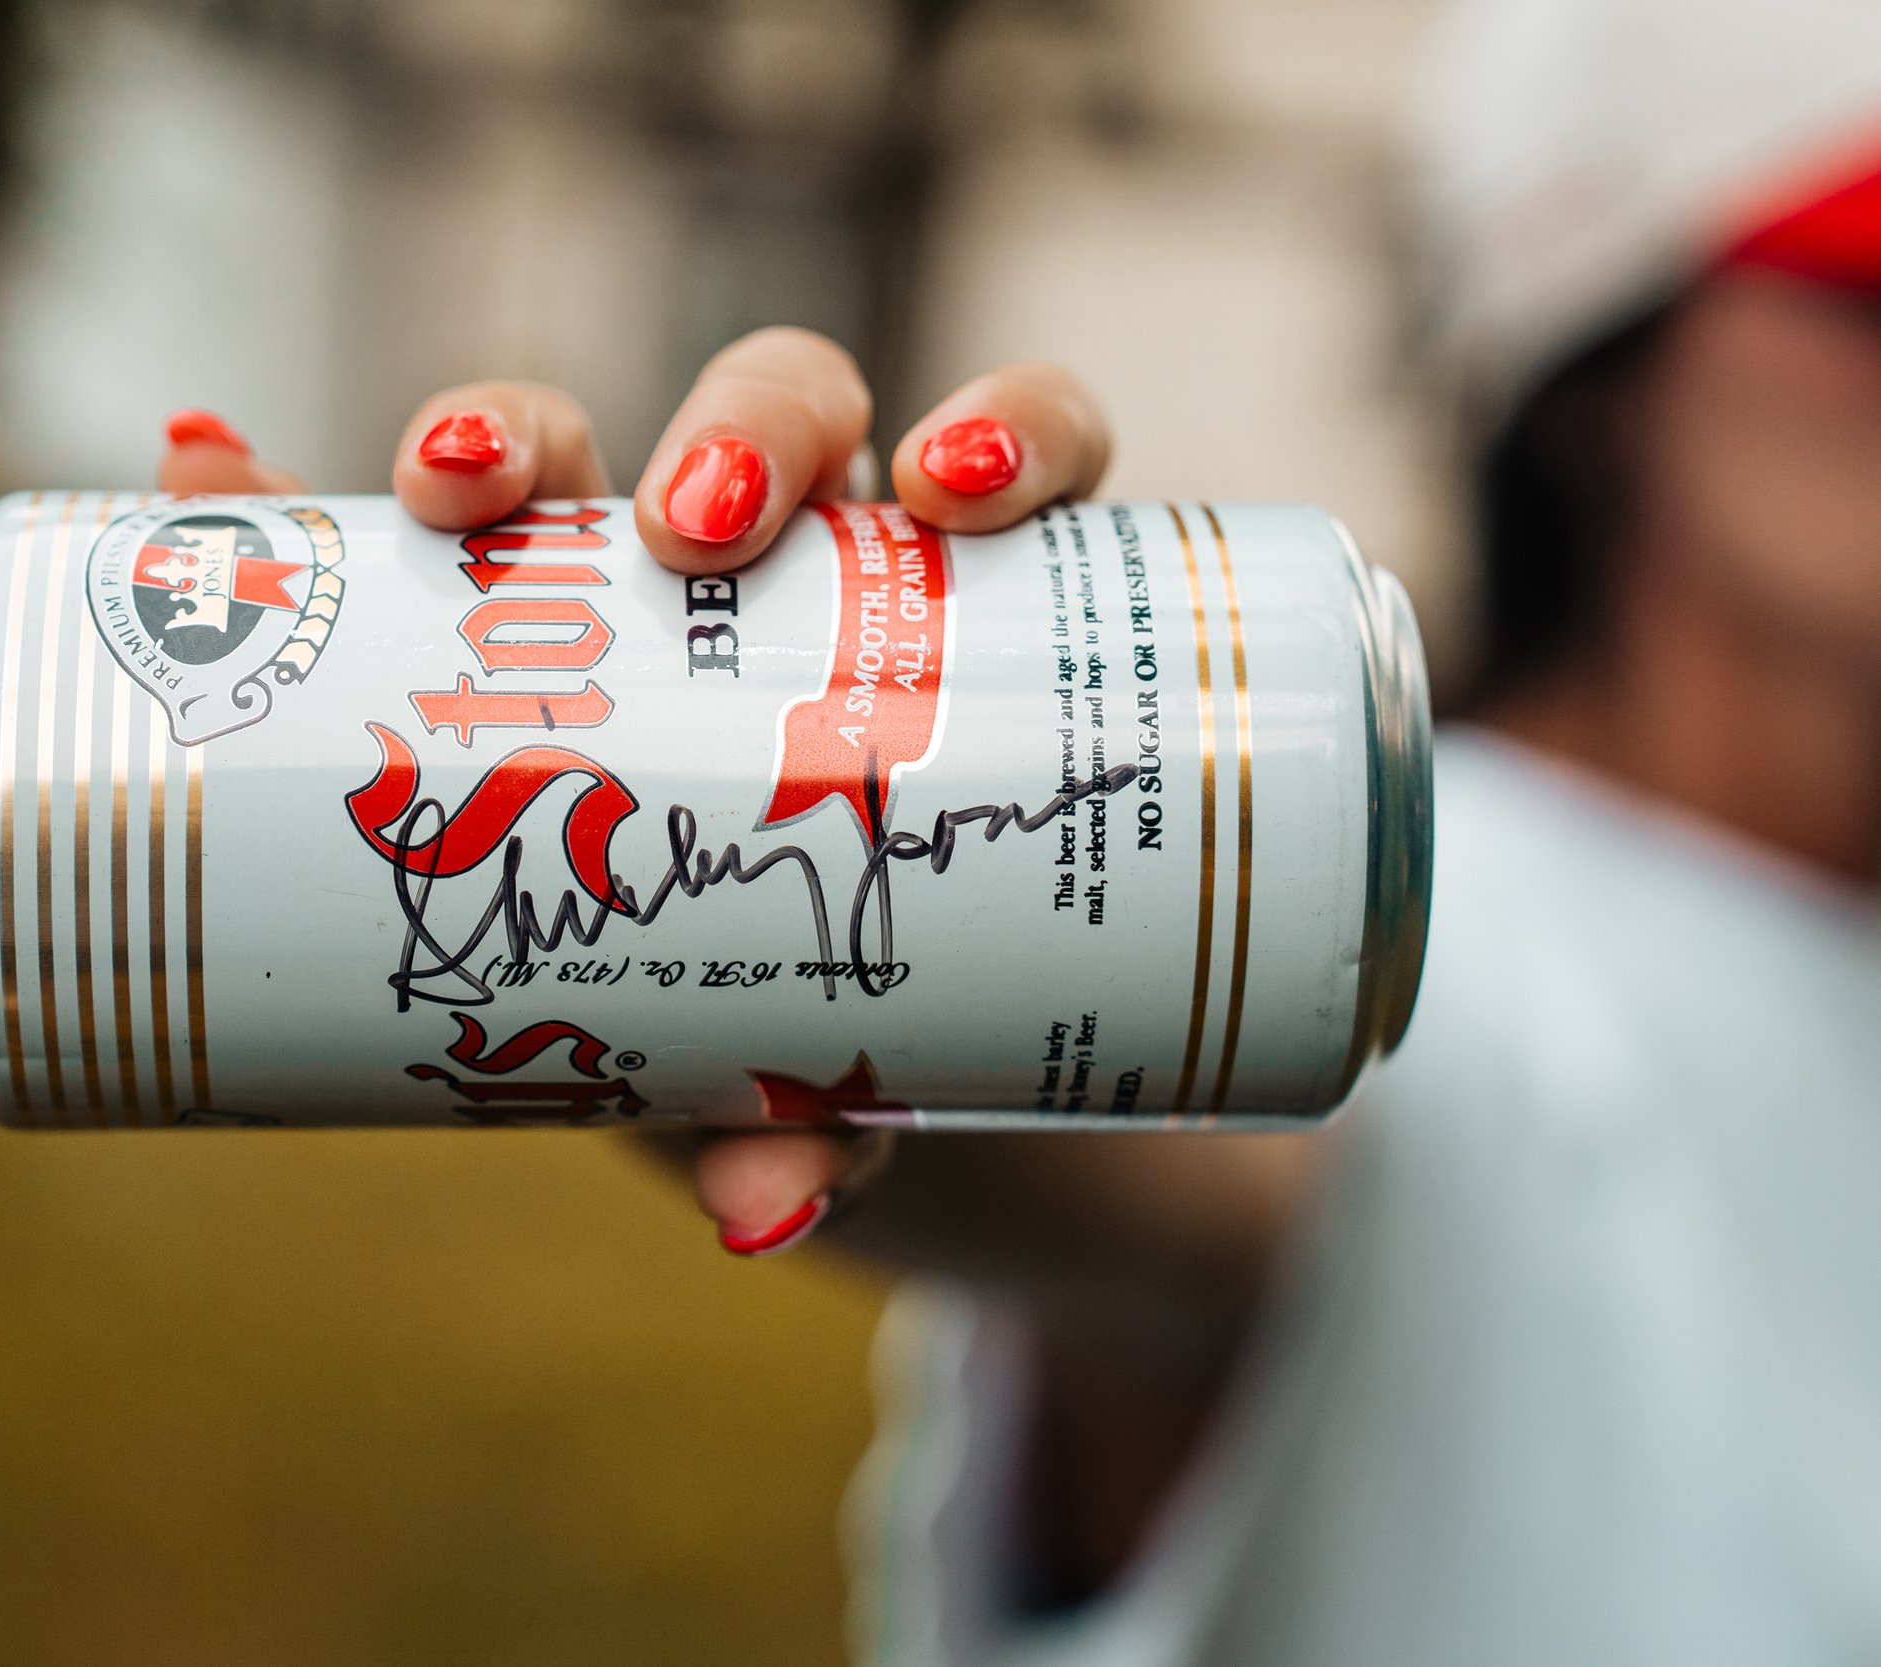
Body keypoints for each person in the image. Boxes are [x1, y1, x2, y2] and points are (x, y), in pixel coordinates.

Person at [152, 0, 1881, 1655]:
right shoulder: (1379, 917)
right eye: (1860, 278)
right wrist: (726, 907)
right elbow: (1175, 1161)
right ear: (1592, 343)